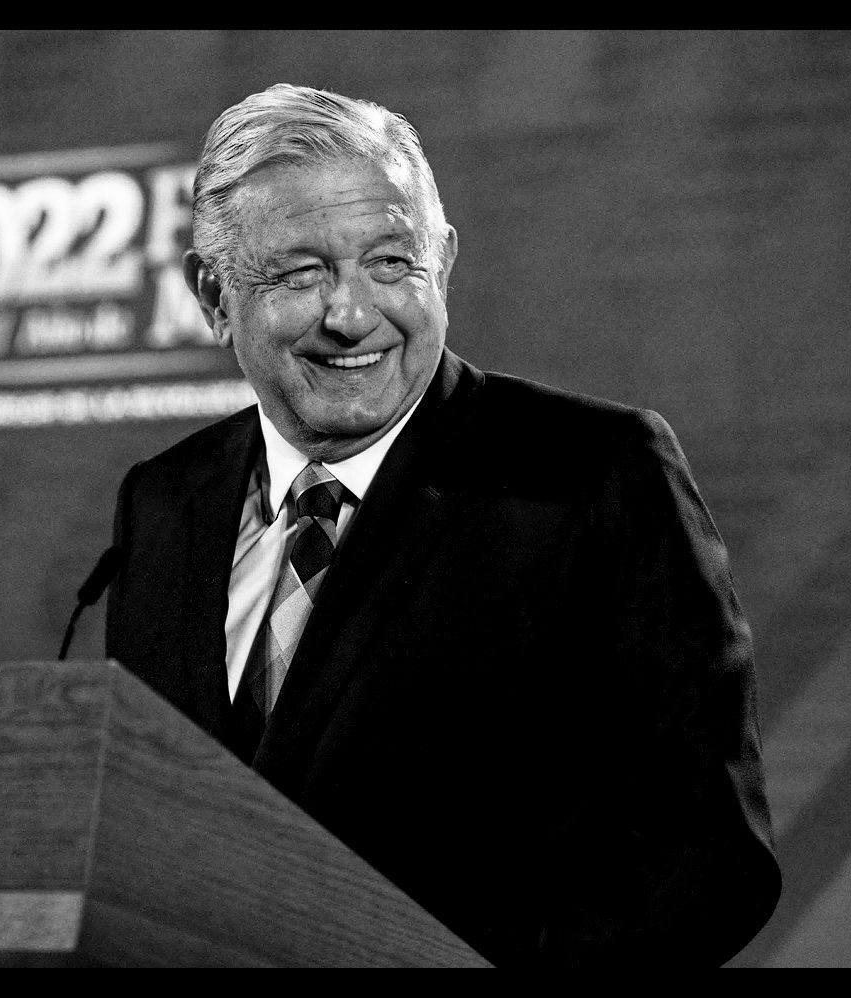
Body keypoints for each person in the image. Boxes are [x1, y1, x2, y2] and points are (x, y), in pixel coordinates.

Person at [105, 84, 781, 967]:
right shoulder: (164, 500)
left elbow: (711, 858)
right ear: (213, 294)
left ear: (445, 264)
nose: (352, 316)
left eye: (391, 263)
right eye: (300, 274)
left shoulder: (590, 476)